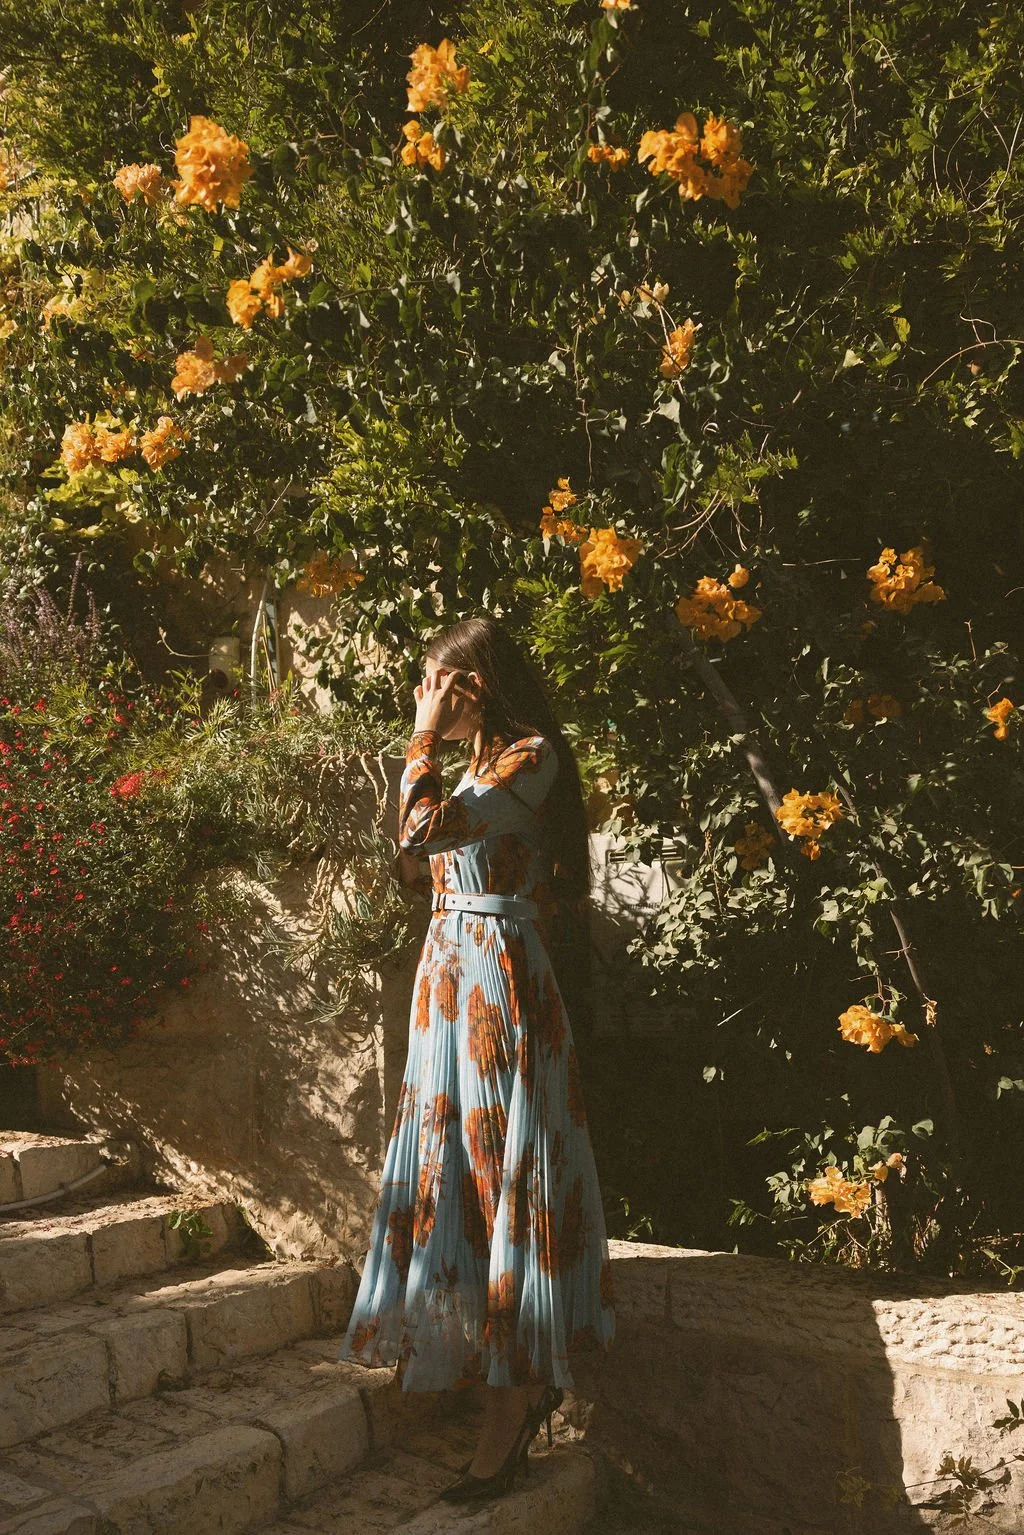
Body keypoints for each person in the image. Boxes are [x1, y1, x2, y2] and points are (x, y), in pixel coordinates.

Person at [336, 615, 615, 1502]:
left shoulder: (530, 758)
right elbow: (417, 856)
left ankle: (514, 1407)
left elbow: (418, 833)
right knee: (449, 1166)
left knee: (507, 1178)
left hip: (499, 980)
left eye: (437, 683)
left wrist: (419, 737)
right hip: (448, 975)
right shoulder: (476, 766)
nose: (425, 699)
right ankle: (489, 1373)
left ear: (476, 685)